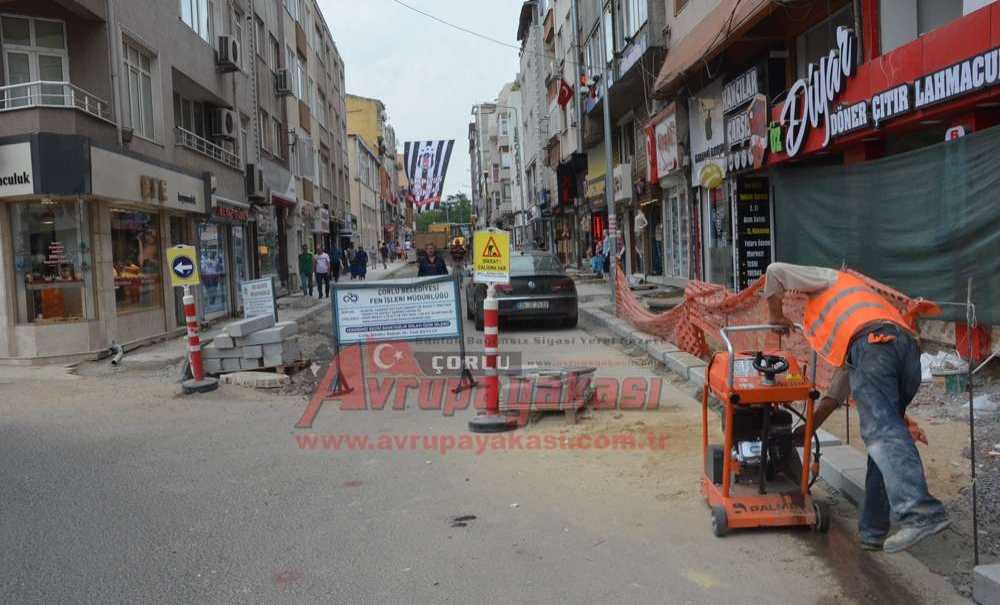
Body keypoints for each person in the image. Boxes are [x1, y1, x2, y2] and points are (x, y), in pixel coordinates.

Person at [764, 262, 949, 553]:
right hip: (905, 351)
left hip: (876, 347)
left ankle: (921, 512)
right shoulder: (862, 311)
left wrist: (776, 316)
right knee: (885, 442)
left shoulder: (828, 279)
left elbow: (774, 270)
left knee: (882, 434)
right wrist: (808, 429)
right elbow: (839, 389)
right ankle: (873, 531)